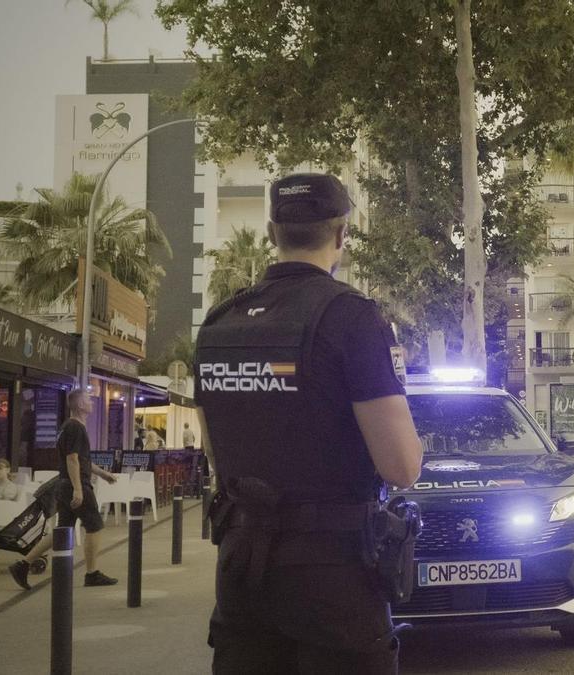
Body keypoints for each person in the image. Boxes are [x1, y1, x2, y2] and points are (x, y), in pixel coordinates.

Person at [194, 173, 424, 673]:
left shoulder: (219, 323)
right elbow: (402, 467)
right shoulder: (352, 318)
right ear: (342, 233)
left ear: (273, 232)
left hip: (241, 572)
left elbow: (216, 452)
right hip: (334, 577)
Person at [8, 389, 120, 590]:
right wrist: (78, 489)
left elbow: (82, 460)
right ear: (79, 405)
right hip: (74, 485)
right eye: (88, 400)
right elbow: (72, 459)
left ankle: (22, 564)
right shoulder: (75, 427)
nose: (92, 403)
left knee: (63, 530)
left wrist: (104, 474)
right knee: (94, 526)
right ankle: (92, 573)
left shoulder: (68, 427)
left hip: (64, 484)